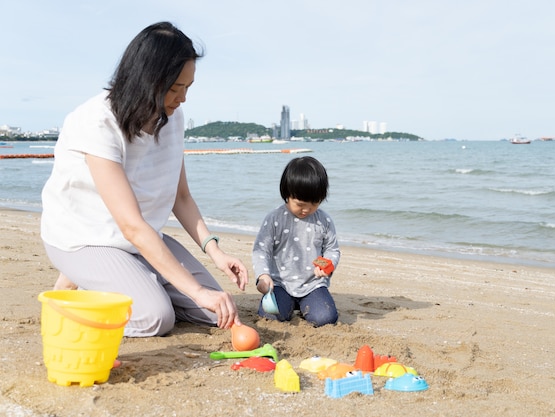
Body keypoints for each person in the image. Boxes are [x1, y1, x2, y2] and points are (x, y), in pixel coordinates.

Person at [40, 22, 248, 338]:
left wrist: (216, 253)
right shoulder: (97, 122)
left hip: (139, 240)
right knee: (155, 317)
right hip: (86, 237)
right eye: (176, 88)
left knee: (215, 312)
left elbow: (181, 199)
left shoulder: (173, 119)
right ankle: (77, 287)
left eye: (188, 87)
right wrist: (194, 289)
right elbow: (131, 225)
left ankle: (127, 278)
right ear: (148, 81)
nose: (183, 99)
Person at [252, 156, 340, 327]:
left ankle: (304, 304)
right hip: (281, 284)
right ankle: (289, 304)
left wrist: (328, 265)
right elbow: (261, 250)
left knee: (326, 318)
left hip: (313, 284)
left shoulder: (324, 221)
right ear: (287, 194)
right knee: (269, 315)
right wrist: (263, 276)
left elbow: (332, 249)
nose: (306, 209)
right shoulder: (274, 218)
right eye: (300, 204)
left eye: (314, 204)